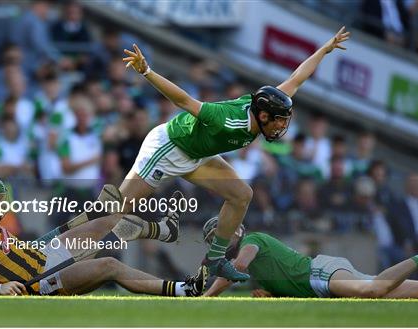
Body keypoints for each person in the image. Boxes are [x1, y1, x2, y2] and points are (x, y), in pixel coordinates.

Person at [115, 26, 350, 281]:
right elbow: (183, 100)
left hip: (197, 155)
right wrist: (147, 71)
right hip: (170, 148)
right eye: (280, 120)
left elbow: (296, 78)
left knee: (241, 195)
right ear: (263, 116)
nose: (283, 126)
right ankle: (69, 250)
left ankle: (214, 260)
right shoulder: (227, 120)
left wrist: (324, 50)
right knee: (115, 210)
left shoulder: (263, 110)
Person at [0, 174, 207, 296]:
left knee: (107, 220)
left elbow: (2, 257)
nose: (3, 205)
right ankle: (184, 290)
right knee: (110, 265)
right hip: (39, 282)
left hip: (41, 256)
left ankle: (165, 230)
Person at [201, 217, 418, 299]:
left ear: (236, 228)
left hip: (322, 274)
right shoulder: (251, 265)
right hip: (323, 280)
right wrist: (271, 294)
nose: (216, 240)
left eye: (218, 233)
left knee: (374, 290)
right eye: (212, 238)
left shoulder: (251, 241)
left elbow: (236, 269)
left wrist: (204, 299)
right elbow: (278, 277)